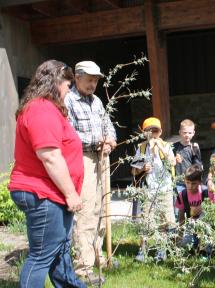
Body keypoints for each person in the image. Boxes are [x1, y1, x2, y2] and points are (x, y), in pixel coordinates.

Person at [8, 60, 86, 288]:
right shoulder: (41, 109)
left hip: (50, 192)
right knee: (41, 256)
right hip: (43, 192)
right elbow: (50, 156)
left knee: (58, 250)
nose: (68, 92)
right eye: (68, 86)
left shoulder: (42, 108)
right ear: (56, 82)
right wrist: (71, 194)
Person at [64, 60, 117, 284]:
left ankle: (99, 256)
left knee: (101, 209)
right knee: (86, 214)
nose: (93, 84)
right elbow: (69, 134)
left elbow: (109, 125)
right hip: (82, 158)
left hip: (101, 157)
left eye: (96, 80)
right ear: (77, 77)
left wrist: (111, 141)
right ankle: (83, 270)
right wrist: (98, 140)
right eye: (90, 79)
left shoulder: (96, 101)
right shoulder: (68, 101)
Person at [131, 117, 176, 263]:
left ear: (160, 132)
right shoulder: (142, 148)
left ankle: (161, 249)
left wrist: (160, 147)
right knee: (146, 220)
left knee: (165, 220)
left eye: (155, 131)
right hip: (149, 189)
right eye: (149, 131)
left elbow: (172, 162)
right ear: (144, 133)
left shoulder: (166, 146)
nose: (152, 134)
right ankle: (142, 249)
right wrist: (142, 169)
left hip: (165, 189)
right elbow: (133, 171)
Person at [176, 164, 213, 254]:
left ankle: (205, 251)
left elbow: (213, 212)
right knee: (185, 243)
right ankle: (193, 246)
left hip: (205, 224)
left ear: (200, 182)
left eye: (193, 183)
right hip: (190, 224)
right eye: (187, 183)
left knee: (204, 223)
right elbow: (181, 218)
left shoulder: (206, 192)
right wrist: (180, 236)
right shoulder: (182, 195)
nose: (190, 186)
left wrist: (201, 208)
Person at [173, 119, 202, 194]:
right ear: (180, 132)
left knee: (192, 204)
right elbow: (169, 163)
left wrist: (196, 152)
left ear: (193, 133)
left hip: (191, 182)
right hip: (179, 182)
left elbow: (198, 165)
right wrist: (174, 160)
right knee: (180, 204)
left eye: (189, 133)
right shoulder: (174, 147)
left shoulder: (194, 147)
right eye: (184, 132)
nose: (187, 135)